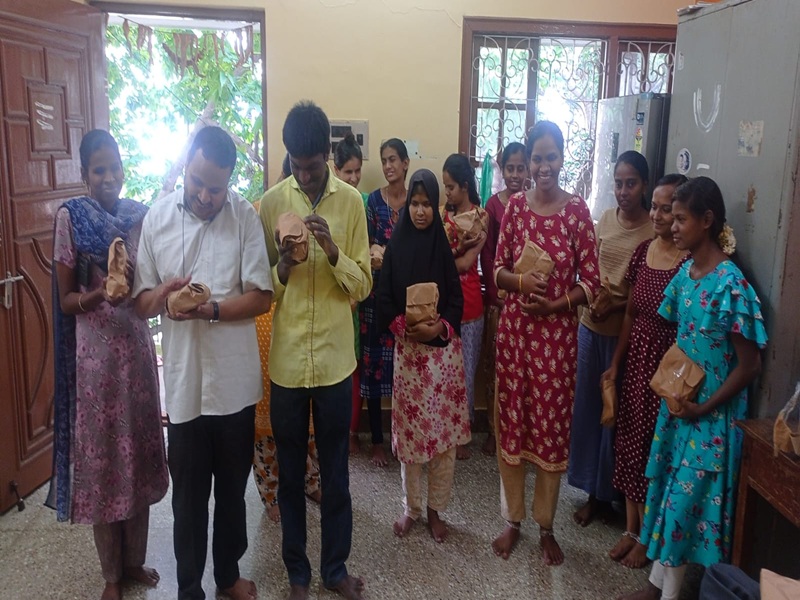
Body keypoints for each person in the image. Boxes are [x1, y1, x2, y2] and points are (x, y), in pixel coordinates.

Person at [133, 126, 273, 600]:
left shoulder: (244, 217)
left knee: (232, 492)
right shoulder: (157, 219)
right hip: (186, 387)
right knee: (188, 500)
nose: (205, 195)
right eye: (197, 182)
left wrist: (211, 310)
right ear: (187, 168)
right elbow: (141, 303)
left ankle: (228, 577)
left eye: (216, 187)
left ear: (229, 180)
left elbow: (261, 296)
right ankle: (189, 588)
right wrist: (165, 294)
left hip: (234, 385)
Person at [621, 176, 767, 600]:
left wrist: (704, 408)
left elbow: (750, 366)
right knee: (668, 496)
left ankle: (665, 594)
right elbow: (676, 329)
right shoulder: (687, 274)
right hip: (681, 409)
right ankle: (656, 587)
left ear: (707, 220)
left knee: (684, 509)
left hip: (711, 420)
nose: (673, 226)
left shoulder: (730, 285)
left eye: (681, 219)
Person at [48, 129, 168, 600]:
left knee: (137, 460)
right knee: (106, 468)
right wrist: (99, 293)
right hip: (96, 366)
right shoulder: (71, 219)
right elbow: (65, 300)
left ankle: (134, 562)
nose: (109, 177)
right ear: (84, 175)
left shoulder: (139, 217)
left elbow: (148, 285)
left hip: (136, 357)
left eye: (115, 168)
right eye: (99, 170)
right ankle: (112, 576)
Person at [260, 100, 370, 600]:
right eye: (296, 166)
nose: (304, 176)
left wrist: (332, 252)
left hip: (333, 363)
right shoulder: (271, 204)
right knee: (289, 476)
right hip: (287, 365)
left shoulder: (351, 203)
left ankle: (335, 569)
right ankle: (297, 574)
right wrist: (283, 266)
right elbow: (262, 290)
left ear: (327, 153)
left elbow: (363, 285)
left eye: (312, 166)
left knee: (336, 474)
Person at [490, 120, 600, 566]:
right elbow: (497, 270)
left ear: (562, 157)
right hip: (515, 338)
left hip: (556, 344)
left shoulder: (577, 213)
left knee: (550, 431)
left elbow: (591, 282)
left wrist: (555, 305)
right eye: (537, 158)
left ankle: (547, 527)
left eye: (551, 157)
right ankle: (513, 520)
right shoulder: (515, 208)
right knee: (513, 424)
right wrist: (520, 283)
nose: (542, 167)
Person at [377, 168, 471, 543]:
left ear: (436, 206)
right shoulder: (396, 247)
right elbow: (384, 299)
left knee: (443, 441)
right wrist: (405, 325)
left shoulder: (442, 249)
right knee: (411, 438)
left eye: (427, 204)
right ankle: (411, 508)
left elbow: (456, 301)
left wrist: (438, 328)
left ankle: (435, 510)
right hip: (410, 360)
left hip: (442, 360)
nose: (420, 211)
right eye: (414, 204)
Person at [601, 174, 689, 569]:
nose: (656, 215)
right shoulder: (644, 251)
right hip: (637, 356)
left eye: (667, 209)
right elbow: (631, 314)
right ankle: (631, 529)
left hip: (667, 365)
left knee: (657, 450)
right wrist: (616, 364)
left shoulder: (688, 263)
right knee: (631, 442)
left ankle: (650, 539)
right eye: (654, 206)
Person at [568, 150, 653, 526]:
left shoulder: (652, 231)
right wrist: (591, 300)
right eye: (618, 183)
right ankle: (590, 492)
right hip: (590, 326)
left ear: (644, 185)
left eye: (631, 183)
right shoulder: (603, 219)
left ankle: (609, 495)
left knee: (614, 414)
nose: (623, 191)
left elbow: (644, 293)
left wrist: (615, 307)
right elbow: (590, 266)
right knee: (588, 410)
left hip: (624, 336)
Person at [252, 197, 321, 524]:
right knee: (266, 427)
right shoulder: (258, 215)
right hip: (262, 330)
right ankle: (271, 493)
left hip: (299, 334)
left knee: (306, 421)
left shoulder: (310, 219)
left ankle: (311, 481)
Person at [358, 138, 410, 467]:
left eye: (393, 160)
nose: (389, 166)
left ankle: (401, 439)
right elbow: (363, 244)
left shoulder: (416, 200)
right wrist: (375, 253)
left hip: (405, 299)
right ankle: (377, 440)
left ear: (405, 163)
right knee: (374, 369)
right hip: (375, 297)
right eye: (384, 160)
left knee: (404, 371)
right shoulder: (374, 202)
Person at [480, 141, 527, 456]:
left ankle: (521, 432)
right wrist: (497, 293)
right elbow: (487, 255)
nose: (515, 175)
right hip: (499, 300)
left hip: (527, 301)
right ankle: (494, 431)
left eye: (520, 168)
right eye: (510, 168)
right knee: (496, 366)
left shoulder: (533, 204)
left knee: (523, 369)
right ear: (502, 169)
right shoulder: (493, 207)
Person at [442, 153, 488, 460]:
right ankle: (446, 430)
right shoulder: (442, 216)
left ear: (465, 186)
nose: (446, 193)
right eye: (445, 187)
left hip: (470, 306)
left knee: (465, 374)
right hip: (444, 304)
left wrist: (451, 256)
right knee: (445, 373)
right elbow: (438, 256)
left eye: (451, 187)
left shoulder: (480, 217)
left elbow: (466, 264)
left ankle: (463, 434)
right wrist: (456, 250)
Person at [333, 132, 371, 456]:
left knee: (355, 365)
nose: (355, 178)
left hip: (358, 295)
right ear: (335, 170)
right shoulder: (330, 204)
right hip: (333, 298)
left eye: (358, 171)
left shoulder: (365, 201)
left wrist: (356, 297)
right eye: (348, 172)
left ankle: (352, 431)